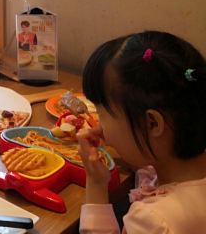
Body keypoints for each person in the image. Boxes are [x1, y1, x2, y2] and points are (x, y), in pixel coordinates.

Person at [78, 31, 206, 233]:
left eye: (102, 114)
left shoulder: (152, 221)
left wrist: (96, 184)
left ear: (152, 123)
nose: (99, 127)